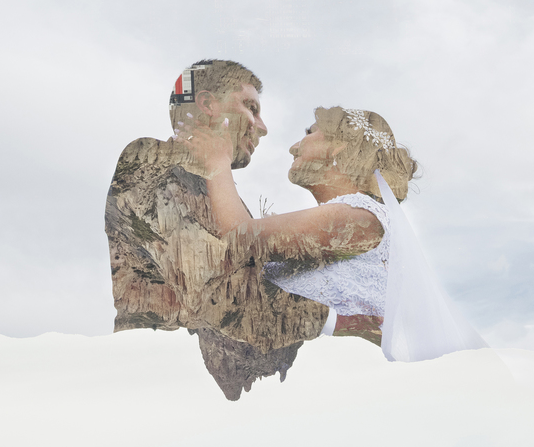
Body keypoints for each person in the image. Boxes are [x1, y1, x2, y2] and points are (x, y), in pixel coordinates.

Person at [105, 61, 370, 400]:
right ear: (207, 104)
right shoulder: (149, 159)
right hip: (168, 388)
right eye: (250, 107)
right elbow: (216, 289)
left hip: (232, 396)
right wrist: (344, 321)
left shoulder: (219, 190)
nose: (262, 128)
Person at [180, 105, 486, 361]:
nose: (294, 147)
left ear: (339, 146)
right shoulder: (340, 219)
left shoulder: (361, 218)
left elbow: (237, 239)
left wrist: (218, 160)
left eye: (309, 132)